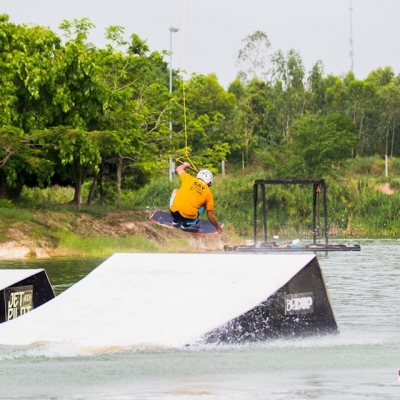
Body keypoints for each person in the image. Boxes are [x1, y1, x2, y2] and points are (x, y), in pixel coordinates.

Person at [170, 162, 223, 233]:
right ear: (209, 182)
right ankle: (187, 225)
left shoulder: (188, 178)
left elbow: (178, 169)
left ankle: (175, 221)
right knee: (205, 204)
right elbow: (211, 216)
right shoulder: (208, 193)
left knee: (175, 190)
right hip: (189, 219)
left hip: (174, 214)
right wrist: (218, 228)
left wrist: (185, 165)